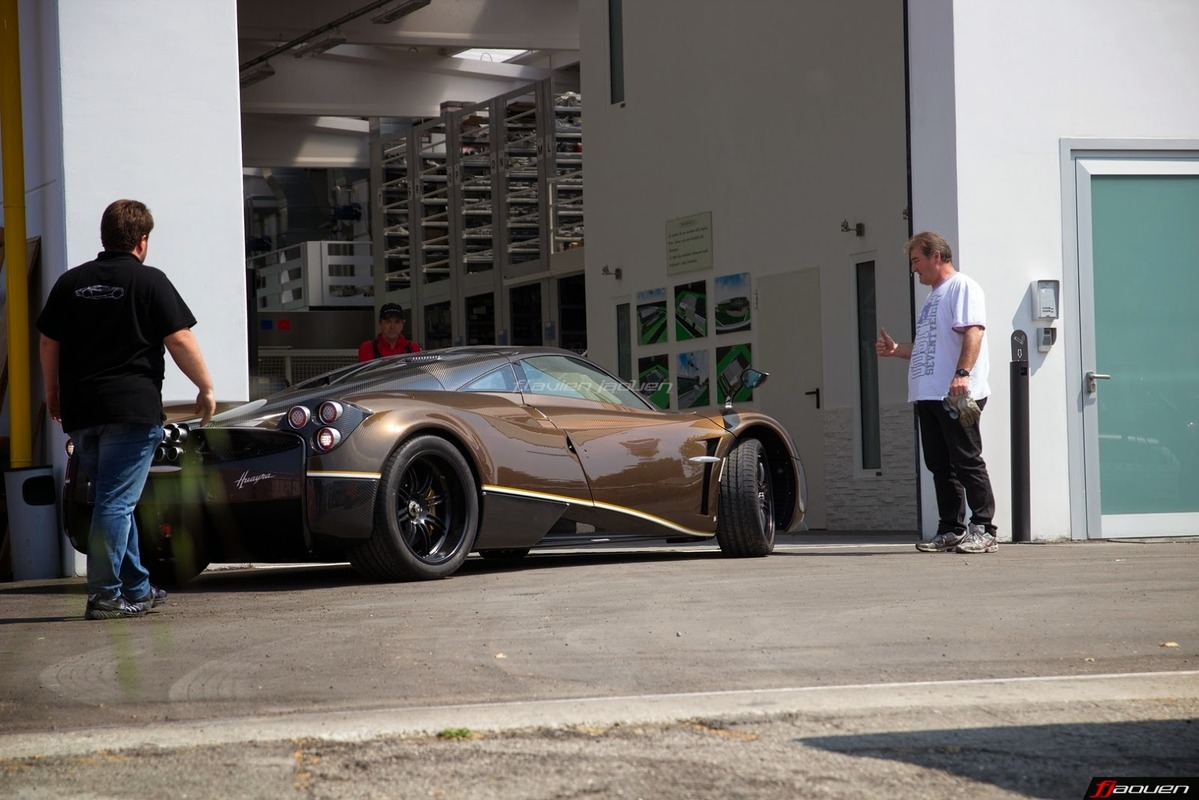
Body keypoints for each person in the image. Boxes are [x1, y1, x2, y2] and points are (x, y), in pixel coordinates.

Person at [37, 199, 217, 619]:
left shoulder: (70, 283)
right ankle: (104, 594)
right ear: (142, 241)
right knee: (116, 503)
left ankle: (137, 587)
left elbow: (48, 341)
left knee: (113, 499)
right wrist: (205, 387)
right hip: (131, 411)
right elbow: (179, 339)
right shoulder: (150, 281)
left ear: (105, 237)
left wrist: (52, 391)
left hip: (83, 412)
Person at [876, 231, 998, 554]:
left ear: (937, 257)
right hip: (929, 394)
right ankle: (951, 529)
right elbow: (929, 348)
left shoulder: (962, 287)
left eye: (916, 260)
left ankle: (984, 528)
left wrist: (962, 375)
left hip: (954, 393)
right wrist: (896, 350)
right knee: (939, 465)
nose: (913, 268)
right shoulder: (933, 297)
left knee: (966, 460)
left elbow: (974, 331)